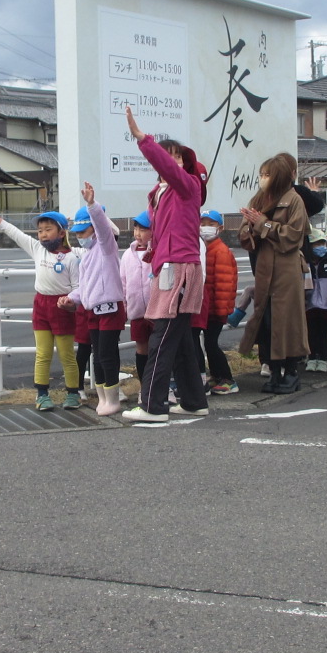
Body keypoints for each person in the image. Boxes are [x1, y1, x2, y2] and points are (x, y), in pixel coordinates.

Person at [121, 106, 210, 424]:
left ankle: (152, 404)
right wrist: (152, 253)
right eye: (166, 155)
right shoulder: (160, 194)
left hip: (179, 269)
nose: (169, 161)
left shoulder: (187, 186)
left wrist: (143, 139)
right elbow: (169, 234)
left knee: (161, 332)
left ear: (185, 164)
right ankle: (193, 400)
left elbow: (169, 169)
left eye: (176, 156)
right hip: (173, 266)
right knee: (181, 337)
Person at [0, 200, 82, 410]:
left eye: (48, 230)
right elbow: (17, 234)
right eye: (40, 231)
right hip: (41, 305)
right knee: (43, 353)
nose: (43, 234)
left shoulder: (72, 258)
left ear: (61, 233)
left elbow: (77, 287)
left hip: (62, 307)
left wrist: (71, 302)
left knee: (67, 354)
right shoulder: (37, 248)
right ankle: (42, 395)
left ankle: (73, 394)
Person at [239, 151, 312, 393]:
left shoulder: (294, 200)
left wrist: (263, 224)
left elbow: (293, 236)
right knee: (267, 320)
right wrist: (250, 227)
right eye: (261, 174)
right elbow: (243, 237)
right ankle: (272, 369)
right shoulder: (258, 200)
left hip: (286, 269)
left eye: (267, 174)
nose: (263, 178)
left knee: (287, 320)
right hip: (263, 267)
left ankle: (290, 371)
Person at [64, 183, 126, 416]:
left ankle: (112, 398)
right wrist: (71, 298)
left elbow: (103, 228)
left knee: (107, 355)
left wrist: (92, 205)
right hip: (93, 311)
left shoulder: (106, 248)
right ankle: (103, 398)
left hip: (109, 309)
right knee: (97, 356)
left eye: (83, 232)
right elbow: (85, 287)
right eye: (77, 234)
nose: (80, 237)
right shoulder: (88, 256)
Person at [199, 208, 239, 394]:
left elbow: (225, 283)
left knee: (211, 344)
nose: (206, 227)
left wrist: (220, 309)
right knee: (208, 343)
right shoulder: (205, 248)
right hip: (208, 308)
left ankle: (228, 379)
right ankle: (217, 376)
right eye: (203, 223)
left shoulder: (220, 251)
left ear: (220, 228)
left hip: (215, 309)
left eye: (211, 224)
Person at [121, 210, 154, 389]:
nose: (137, 233)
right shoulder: (128, 255)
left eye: (143, 229)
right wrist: (125, 307)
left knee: (158, 349)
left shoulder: (158, 251)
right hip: (137, 312)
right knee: (141, 348)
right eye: (136, 229)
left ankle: (163, 386)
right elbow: (123, 282)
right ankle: (145, 386)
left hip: (157, 311)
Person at [304, 226, 327, 373]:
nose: (320, 247)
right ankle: (312, 358)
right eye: (316, 244)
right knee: (311, 332)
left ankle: (323, 360)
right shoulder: (305, 263)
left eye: (322, 244)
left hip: (326, 304)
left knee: (324, 333)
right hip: (309, 304)